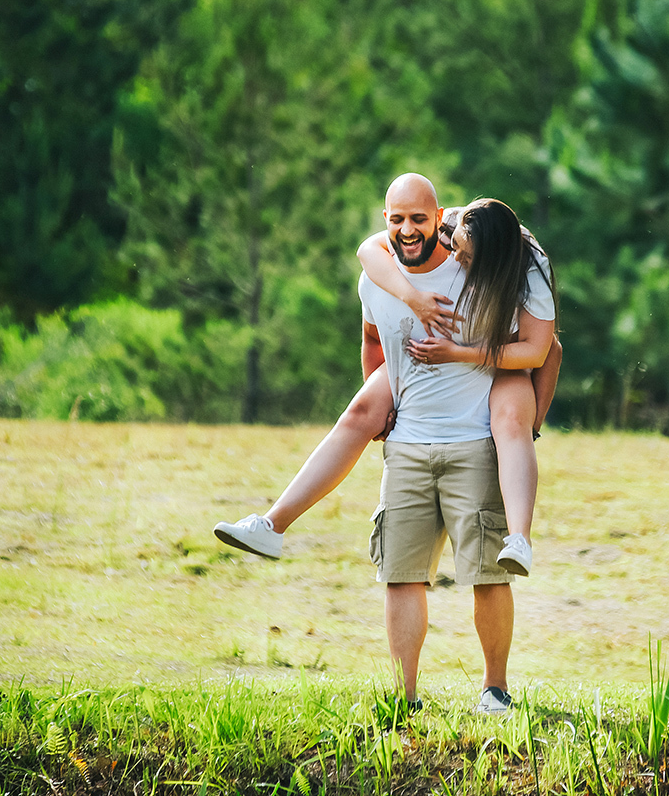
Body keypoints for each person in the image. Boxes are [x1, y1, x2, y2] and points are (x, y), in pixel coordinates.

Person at [214, 187, 560, 576]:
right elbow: (368, 251)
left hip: (509, 354)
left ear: (493, 260)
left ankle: (519, 539)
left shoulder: (531, 268)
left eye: (466, 257)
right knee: (359, 413)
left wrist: (529, 422)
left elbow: (542, 352)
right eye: (456, 247)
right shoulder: (450, 224)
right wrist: (413, 300)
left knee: (512, 423)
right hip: (442, 353)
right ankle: (271, 525)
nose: (454, 258)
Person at [353, 173, 519, 710]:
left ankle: (495, 689)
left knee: (488, 575)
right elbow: (372, 338)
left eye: (418, 219)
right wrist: (382, 404)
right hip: (406, 448)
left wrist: (524, 418)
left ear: (439, 216)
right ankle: (404, 698)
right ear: (386, 220)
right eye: (398, 219)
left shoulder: (475, 266)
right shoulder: (375, 277)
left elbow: (537, 346)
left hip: (475, 444)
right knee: (400, 576)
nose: (408, 229)